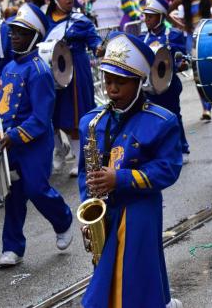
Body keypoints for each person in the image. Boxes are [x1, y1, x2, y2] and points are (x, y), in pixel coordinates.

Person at [78, 31, 183, 308]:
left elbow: (168, 169)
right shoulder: (91, 121)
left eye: (121, 83)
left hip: (139, 209)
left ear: (139, 82)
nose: (112, 89)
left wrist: (119, 178)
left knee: (132, 276)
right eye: (108, 80)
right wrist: (87, 204)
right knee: (115, 274)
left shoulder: (161, 121)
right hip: (104, 210)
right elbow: (83, 171)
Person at [0, 3, 74, 267]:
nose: (14, 37)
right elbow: (7, 102)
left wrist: (15, 136)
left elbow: (41, 119)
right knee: (13, 194)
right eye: (13, 32)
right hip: (10, 142)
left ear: (33, 37)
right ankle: (13, 247)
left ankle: (64, 219)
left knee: (36, 188)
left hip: (33, 143)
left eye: (20, 33)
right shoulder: (9, 66)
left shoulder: (40, 71)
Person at [45, 0, 103, 176]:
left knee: (76, 116)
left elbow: (94, 41)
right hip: (51, 73)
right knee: (54, 114)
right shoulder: (45, 23)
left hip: (77, 71)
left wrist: (100, 48)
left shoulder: (81, 20)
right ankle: (60, 149)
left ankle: (80, 160)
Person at [140, 0, 191, 164]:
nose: (146, 19)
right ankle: (162, 151)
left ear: (160, 16)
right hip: (150, 86)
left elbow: (182, 56)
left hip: (169, 85)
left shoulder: (172, 34)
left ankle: (182, 148)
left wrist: (181, 63)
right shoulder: (143, 38)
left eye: (150, 16)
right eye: (145, 16)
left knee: (173, 116)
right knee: (153, 119)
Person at [168, 0, 212, 121]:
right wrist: (181, 26)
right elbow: (167, 13)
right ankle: (206, 108)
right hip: (191, 40)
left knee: (208, 70)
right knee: (198, 74)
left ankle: (211, 97)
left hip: (207, 37)